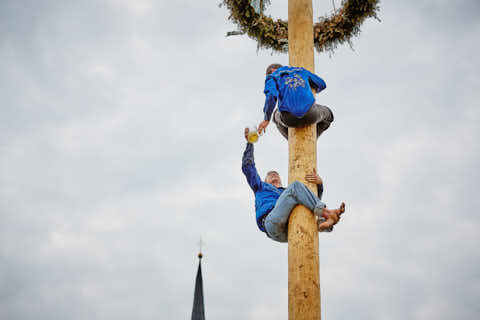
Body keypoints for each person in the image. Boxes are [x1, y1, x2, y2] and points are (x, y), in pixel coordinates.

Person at [242, 128, 345, 242]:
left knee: (303, 203)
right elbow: (248, 167)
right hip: (271, 222)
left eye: (276, 174)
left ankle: (324, 224)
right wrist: (249, 144)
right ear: (265, 181)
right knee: (295, 187)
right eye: (270, 175)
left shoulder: (289, 193)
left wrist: (320, 185)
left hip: (290, 227)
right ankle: (327, 214)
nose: (274, 176)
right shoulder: (261, 187)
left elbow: (312, 199)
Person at [258, 63, 334, 140]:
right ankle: (311, 139)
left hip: (288, 119)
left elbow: (271, 95)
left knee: (275, 116)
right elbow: (322, 84)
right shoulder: (300, 71)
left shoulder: (271, 77)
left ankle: (293, 140)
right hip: (311, 114)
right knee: (329, 115)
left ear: (269, 73)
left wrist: (266, 119)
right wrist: (309, 86)